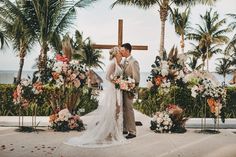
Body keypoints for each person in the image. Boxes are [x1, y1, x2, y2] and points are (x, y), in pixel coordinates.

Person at [64, 47, 127, 148]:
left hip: (118, 89)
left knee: (117, 110)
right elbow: (107, 77)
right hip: (113, 89)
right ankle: (108, 133)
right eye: (119, 53)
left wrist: (122, 82)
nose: (121, 54)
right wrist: (117, 82)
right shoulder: (112, 64)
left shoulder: (121, 64)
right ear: (116, 54)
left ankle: (113, 132)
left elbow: (118, 76)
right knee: (113, 110)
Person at [120, 43, 140, 139]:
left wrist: (132, 89)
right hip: (122, 89)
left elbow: (136, 78)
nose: (121, 52)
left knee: (129, 110)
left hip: (129, 90)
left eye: (123, 50)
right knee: (123, 109)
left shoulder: (134, 62)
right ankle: (124, 128)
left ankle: (132, 131)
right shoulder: (124, 61)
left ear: (127, 51)